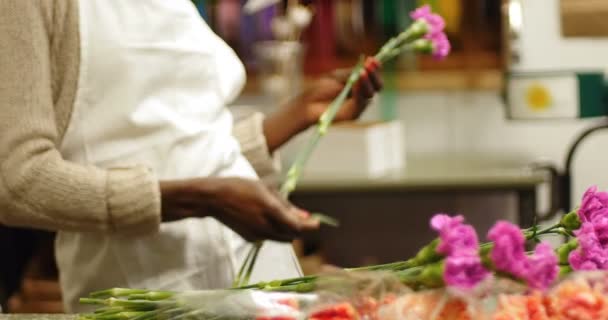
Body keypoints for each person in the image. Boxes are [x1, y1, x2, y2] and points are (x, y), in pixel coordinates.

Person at [0, 0, 382, 312]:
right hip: (144, 285)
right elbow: (15, 181)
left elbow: (175, 144)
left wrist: (297, 115)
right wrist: (205, 198)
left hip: (252, 277)